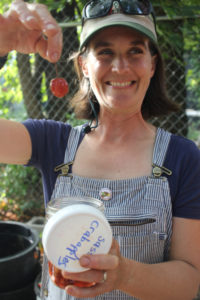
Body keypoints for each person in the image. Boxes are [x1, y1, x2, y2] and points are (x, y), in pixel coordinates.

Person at [0, 0, 200, 300]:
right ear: (83, 65)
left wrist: (124, 275)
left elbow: (188, 282)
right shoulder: (51, 143)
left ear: (152, 64)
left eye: (135, 51)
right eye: (105, 52)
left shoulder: (183, 157)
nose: (120, 67)